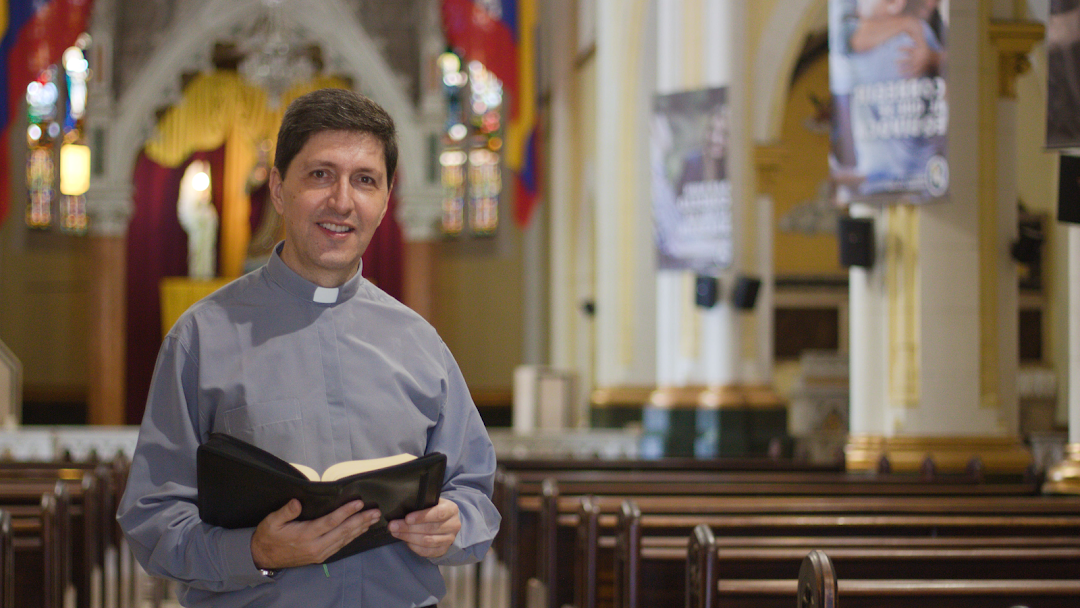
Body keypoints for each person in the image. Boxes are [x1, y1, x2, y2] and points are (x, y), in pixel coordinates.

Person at [117, 88, 501, 607]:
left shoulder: (420, 344)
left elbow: (475, 493)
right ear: (278, 189)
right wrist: (253, 550)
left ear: (386, 201)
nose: (342, 201)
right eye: (320, 174)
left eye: (364, 180)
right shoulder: (200, 339)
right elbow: (152, 519)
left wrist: (453, 524)